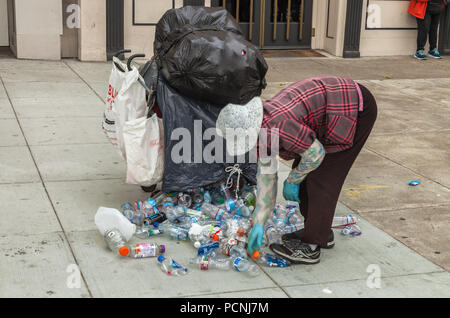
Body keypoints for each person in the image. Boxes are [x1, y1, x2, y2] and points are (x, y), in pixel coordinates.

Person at [215, 76, 377, 264]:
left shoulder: (278, 125)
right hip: (328, 110)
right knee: (304, 171)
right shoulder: (260, 130)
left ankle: (312, 246)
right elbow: (266, 178)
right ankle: (319, 231)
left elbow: (315, 154)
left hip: (354, 108)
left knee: (322, 178)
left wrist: (292, 180)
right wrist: (259, 221)